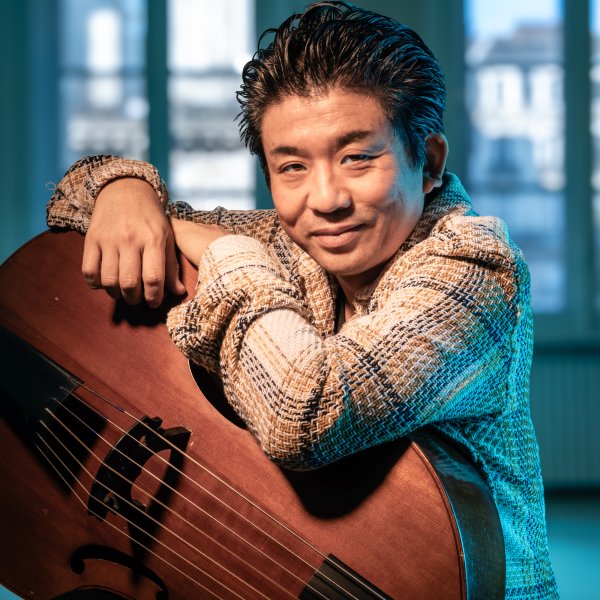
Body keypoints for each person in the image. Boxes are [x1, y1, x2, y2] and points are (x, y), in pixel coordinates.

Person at [46, 2, 558, 597]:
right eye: (291, 166)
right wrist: (125, 188)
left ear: (429, 161)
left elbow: (306, 415)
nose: (326, 199)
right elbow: (72, 209)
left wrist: (228, 253)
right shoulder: (290, 242)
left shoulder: (476, 266)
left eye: (357, 157)